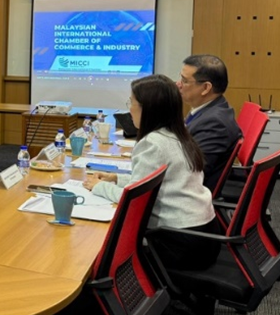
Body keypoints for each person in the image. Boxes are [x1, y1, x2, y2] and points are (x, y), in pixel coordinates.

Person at [83, 74, 219, 271]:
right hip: (203, 233)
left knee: (96, 252)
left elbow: (136, 201)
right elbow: (155, 182)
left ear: (149, 108)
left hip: (177, 243)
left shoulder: (153, 144)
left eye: (132, 102)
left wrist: (99, 187)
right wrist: (116, 178)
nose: (129, 108)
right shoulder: (178, 135)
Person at [177, 54, 242, 191]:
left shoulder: (215, 123)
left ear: (206, 88)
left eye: (185, 81)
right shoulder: (207, 109)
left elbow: (191, 173)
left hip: (190, 197)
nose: (178, 84)